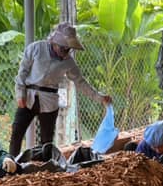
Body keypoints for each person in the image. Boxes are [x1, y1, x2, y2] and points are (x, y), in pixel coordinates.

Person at [10, 24, 111, 157]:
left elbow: (80, 82)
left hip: (50, 102)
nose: (66, 51)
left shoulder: (69, 62)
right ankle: (10, 165)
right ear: (54, 42)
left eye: (68, 49)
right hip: (28, 96)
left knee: (46, 142)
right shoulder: (36, 48)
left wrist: (99, 97)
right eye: (63, 48)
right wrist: (20, 93)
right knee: (17, 132)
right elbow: (22, 72)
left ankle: (45, 169)